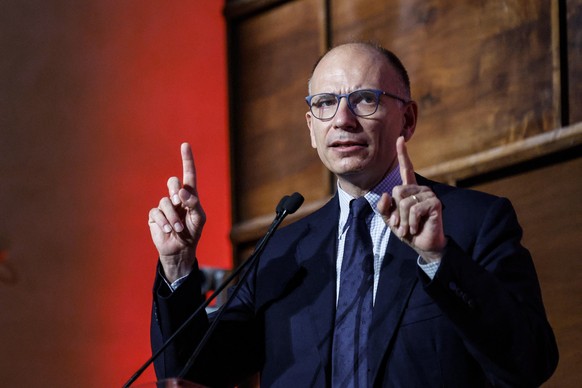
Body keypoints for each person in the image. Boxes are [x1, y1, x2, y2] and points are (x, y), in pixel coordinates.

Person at [147, 42, 558, 387]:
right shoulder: (281, 252)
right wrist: (178, 265)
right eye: (325, 103)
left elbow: (529, 364)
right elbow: (192, 372)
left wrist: (439, 261)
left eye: (364, 99)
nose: (342, 120)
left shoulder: (474, 223)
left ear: (408, 119)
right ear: (311, 128)